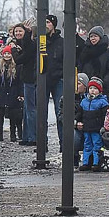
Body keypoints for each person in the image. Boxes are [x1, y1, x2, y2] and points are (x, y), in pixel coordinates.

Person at [34, 15, 65, 150]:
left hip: (57, 79)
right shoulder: (38, 41)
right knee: (41, 112)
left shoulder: (61, 42)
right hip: (42, 79)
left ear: (53, 25)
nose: (45, 25)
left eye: (47, 22)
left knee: (60, 112)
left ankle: (64, 144)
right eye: (43, 22)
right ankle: (42, 143)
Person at [75, 78, 109, 171]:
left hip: (97, 128)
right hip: (86, 128)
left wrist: (105, 126)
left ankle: (96, 162)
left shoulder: (102, 102)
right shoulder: (84, 101)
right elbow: (80, 113)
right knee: (87, 145)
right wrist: (77, 120)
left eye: (95, 88)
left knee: (97, 145)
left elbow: (105, 116)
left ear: (99, 90)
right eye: (91, 88)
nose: (92, 90)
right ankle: (86, 162)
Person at [0, 46, 22, 142]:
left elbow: (19, 81)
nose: (7, 55)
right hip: (2, 92)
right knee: (1, 114)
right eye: (5, 54)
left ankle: (13, 134)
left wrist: (20, 93)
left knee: (13, 115)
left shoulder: (16, 66)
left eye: (8, 54)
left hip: (13, 91)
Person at [77, 26, 109, 94]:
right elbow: (80, 66)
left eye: (95, 36)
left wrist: (104, 83)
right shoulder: (85, 51)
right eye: (91, 36)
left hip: (101, 89)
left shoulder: (106, 52)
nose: (93, 38)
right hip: (86, 87)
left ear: (100, 37)